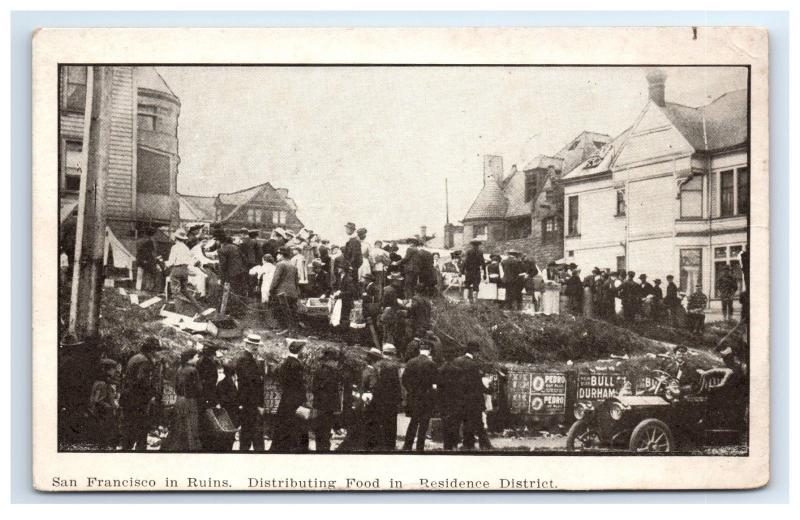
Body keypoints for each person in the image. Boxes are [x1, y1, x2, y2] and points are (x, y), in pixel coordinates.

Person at [120, 337, 164, 451]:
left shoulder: (135, 358)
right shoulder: (145, 361)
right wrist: (151, 394)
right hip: (138, 401)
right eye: (156, 350)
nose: (157, 353)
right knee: (140, 430)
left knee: (129, 429)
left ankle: (126, 450)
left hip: (129, 399)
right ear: (151, 350)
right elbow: (142, 382)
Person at [452, 341, 492, 450]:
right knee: (478, 422)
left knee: (463, 422)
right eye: (477, 352)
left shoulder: (456, 361)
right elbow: (477, 384)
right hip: (473, 399)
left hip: (459, 398)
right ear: (474, 352)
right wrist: (489, 390)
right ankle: (484, 445)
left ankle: (466, 444)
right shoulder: (474, 365)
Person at [271, 340, 309, 453]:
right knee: (297, 424)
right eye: (303, 349)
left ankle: (280, 447)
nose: (305, 351)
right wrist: (304, 400)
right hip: (295, 400)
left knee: (283, 424)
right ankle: (296, 448)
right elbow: (300, 385)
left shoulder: (285, 362)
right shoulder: (297, 365)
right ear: (300, 350)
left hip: (286, 398)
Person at [401, 342, 437, 451]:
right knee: (424, 423)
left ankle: (407, 446)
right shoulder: (431, 364)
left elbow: (404, 380)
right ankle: (419, 447)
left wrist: (410, 391)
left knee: (413, 421)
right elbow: (435, 383)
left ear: (419, 350)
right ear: (429, 350)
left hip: (413, 397)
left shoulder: (410, 362)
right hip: (426, 398)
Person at [165, 348, 202, 451]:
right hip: (189, 401)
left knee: (179, 426)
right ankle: (190, 449)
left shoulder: (179, 369)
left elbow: (176, 386)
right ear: (190, 358)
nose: (198, 358)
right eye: (196, 356)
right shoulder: (193, 370)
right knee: (191, 426)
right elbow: (199, 389)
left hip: (179, 400)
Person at [370, 344, 403, 451]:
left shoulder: (376, 365)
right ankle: (390, 446)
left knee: (378, 422)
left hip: (378, 400)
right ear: (393, 354)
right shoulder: (395, 366)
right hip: (391, 401)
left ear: (383, 353)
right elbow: (398, 385)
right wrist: (400, 399)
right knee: (391, 424)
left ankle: (378, 444)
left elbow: (373, 384)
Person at [236, 334, 265, 452]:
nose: (256, 347)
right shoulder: (245, 359)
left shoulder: (248, 358)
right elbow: (250, 385)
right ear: (247, 344)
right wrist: (259, 405)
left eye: (257, 345)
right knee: (255, 433)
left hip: (248, 403)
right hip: (250, 404)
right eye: (253, 345)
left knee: (247, 433)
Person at [165, 229, 202, 312]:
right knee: (185, 291)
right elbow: (190, 260)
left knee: (175, 293)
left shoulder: (174, 247)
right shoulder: (186, 248)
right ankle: (199, 308)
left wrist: (165, 264)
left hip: (176, 270)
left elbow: (171, 261)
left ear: (175, 237)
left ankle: (179, 312)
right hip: (185, 270)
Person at [311, 346, 340, 451]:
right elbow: (334, 393)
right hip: (328, 408)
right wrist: (336, 410)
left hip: (319, 406)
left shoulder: (318, 371)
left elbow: (314, 389)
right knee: (325, 434)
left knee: (319, 433)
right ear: (330, 361)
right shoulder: (333, 373)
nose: (335, 363)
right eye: (334, 361)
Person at [87, 358, 120, 449]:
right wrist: (110, 406)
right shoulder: (101, 384)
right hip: (102, 411)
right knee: (105, 430)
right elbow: (97, 400)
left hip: (102, 411)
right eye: (113, 369)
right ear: (107, 370)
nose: (115, 371)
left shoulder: (102, 382)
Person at [195, 341, 221, 450]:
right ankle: (206, 444)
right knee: (206, 421)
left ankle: (203, 442)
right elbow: (209, 383)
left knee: (202, 420)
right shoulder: (208, 363)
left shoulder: (200, 361)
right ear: (211, 353)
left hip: (202, 396)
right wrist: (212, 399)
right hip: (206, 396)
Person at [270, 247, 300, 331]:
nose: (276, 257)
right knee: (291, 312)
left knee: (280, 311)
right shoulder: (293, 265)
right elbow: (296, 281)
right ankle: (291, 329)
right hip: (293, 293)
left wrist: (271, 289)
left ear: (281, 255)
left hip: (282, 293)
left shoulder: (280, 264)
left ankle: (282, 328)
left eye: (278, 255)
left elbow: (276, 279)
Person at [218, 233, 248, 317]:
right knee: (240, 292)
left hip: (231, 274)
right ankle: (240, 312)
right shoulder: (237, 247)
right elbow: (244, 259)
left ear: (222, 242)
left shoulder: (222, 250)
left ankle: (232, 312)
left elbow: (223, 265)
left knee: (231, 292)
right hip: (241, 272)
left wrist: (221, 277)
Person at [215, 361, 239, 451]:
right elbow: (233, 398)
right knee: (229, 438)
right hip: (231, 412)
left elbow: (217, 397)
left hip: (223, 411)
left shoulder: (221, 383)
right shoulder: (231, 383)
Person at [135, 227, 161, 292]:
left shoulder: (139, 241)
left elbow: (138, 251)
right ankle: (147, 288)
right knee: (148, 274)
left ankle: (138, 288)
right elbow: (152, 252)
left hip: (140, 259)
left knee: (140, 275)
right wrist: (155, 259)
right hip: (147, 260)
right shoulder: (150, 242)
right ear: (152, 234)